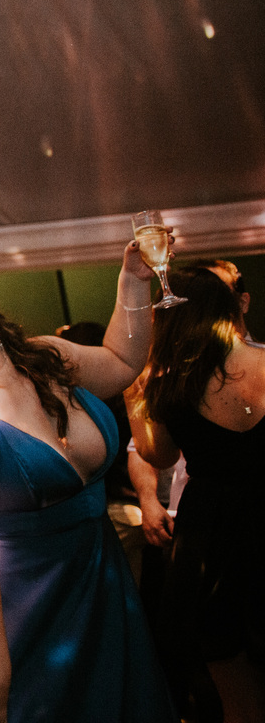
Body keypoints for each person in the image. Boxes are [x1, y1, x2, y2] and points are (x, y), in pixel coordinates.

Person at [0, 245, 176, 723]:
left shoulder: (47, 358)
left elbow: (124, 360)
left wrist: (133, 280)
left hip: (98, 583)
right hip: (15, 610)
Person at [134, 263, 265, 723]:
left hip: (213, 533)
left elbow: (160, 455)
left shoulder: (171, 384)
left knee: (233, 684)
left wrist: (138, 402)